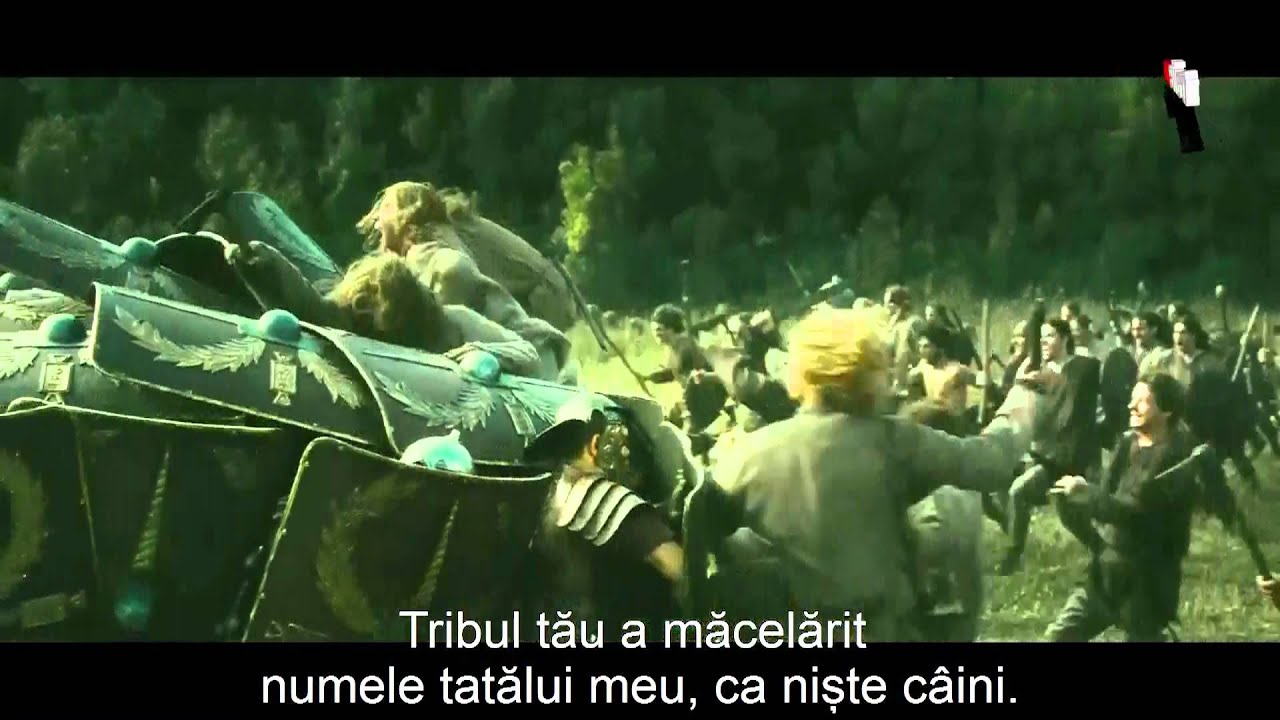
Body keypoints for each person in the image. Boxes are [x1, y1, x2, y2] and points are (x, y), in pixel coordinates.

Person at [704, 306, 1047, 641]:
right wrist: (1025, 396)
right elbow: (991, 460)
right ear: (865, 373)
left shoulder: (747, 455)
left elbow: (698, 534)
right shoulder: (893, 441)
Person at [1044, 373, 1201, 641]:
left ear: (1166, 411)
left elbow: (1134, 513)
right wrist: (1075, 505)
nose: (1131, 406)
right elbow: (1107, 502)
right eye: (1132, 399)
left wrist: (1088, 493)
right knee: (1059, 636)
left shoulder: (1177, 459)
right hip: (1106, 574)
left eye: (1142, 401)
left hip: (1146, 583)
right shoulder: (1127, 443)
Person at [522, 394, 685, 639]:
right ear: (596, 445)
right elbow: (680, 569)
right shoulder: (608, 500)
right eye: (625, 441)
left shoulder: (553, 493)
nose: (627, 452)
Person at [356, 181, 577, 331]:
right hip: (544, 289)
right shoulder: (442, 228)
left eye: (387, 207)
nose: (377, 221)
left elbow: (457, 275)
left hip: (544, 295)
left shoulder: (436, 232)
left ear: (407, 212)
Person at [998, 317, 1101, 575]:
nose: (1044, 341)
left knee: (1067, 515)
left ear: (1065, 339)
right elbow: (1018, 390)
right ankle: (1014, 554)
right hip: (1047, 454)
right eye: (1041, 336)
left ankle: (1103, 552)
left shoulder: (1085, 367)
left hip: (1074, 455)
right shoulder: (1039, 374)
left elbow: (1090, 386)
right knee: (1023, 494)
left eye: (1050, 336)